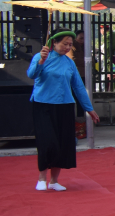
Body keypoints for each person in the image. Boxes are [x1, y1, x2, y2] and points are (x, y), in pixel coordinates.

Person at [27, 30, 101, 191]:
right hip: (43, 105)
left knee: (62, 143)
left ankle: (54, 181)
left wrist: (89, 108)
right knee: (47, 142)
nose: (68, 47)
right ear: (54, 42)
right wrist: (40, 61)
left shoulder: (69, 63)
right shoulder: (41, 57)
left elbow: (78, 87)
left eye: (70, 44)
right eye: (64, 44)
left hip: (65, 106)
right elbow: (31, 74)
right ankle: (42, 178)